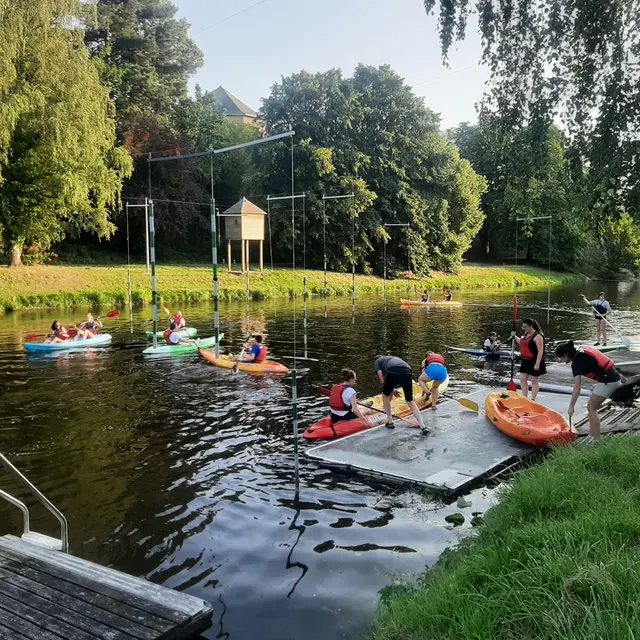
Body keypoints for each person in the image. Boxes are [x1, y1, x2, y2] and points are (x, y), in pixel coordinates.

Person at [555, 341, 626, 439]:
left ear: (566, 355)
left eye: (561, 357)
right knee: (592, 406)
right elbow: (600, 364)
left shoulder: (577, 364)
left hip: (609, 381)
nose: (561, 360)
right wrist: (618, 375)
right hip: (612, 376)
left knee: (591, 408)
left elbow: (577, 387)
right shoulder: (581, 351)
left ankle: (596, 439)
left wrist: (571, 406)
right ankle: (592, 433)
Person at [374, 355, 427, 433]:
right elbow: (394, 377)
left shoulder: (377, 362)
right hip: (407, 371)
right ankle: (423, 426)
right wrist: (392, 389)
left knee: (385, 395)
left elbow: (382, 380)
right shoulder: (390, 359)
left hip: (393, 371)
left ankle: (390, 422)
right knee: (409, 401)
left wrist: (387, 389)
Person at [511, 318, 546, 400]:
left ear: (531, 326)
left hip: (535, 360)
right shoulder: (525, 334)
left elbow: (541, 351)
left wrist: (537, 364)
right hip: (525, 360)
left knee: (534, 381)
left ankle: (533, 399)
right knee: (522, 379)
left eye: (525, 327)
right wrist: (514, 336)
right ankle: (524, 398)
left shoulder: (538, 336)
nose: (524, 328)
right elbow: (522, 343)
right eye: (522, 327)